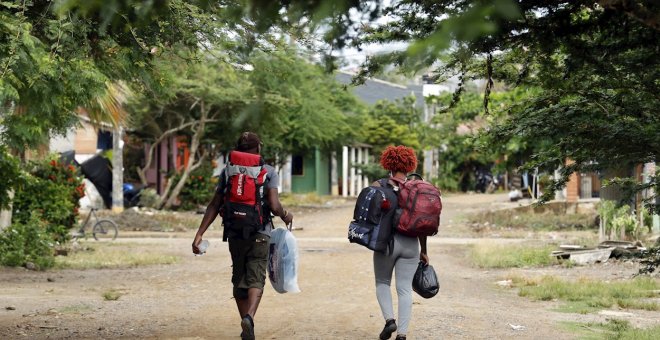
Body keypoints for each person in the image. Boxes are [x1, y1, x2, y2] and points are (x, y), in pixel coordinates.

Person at [192, 132, 294, 340]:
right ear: (258, 148)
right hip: (260, 231)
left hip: (234, 232)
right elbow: (274, 206)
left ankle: (246, 324)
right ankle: (249, 317)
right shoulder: (268, 171)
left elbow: (214, 204)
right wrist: (285, 215)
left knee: (239, 276)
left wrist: (199, 234)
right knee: (256, 275)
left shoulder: (228, 172)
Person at [372, 145, 428, 340]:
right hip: (411, 244)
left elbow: (371, 215)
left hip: (386, 243)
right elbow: (422, 222)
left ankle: (389, 321)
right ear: (410, 165)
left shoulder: (379, 185)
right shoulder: (417, 188)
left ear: (388, 163)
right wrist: (423, 250)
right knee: (404, 289)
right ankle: (402, 334)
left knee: (382, 282)